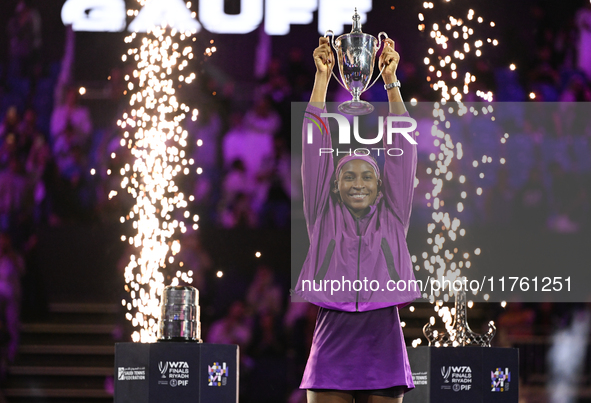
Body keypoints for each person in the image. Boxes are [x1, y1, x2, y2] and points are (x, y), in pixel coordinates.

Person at [292, 37, 420, 403]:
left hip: (383, 331)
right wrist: (322, 78)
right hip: (334, 330)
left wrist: (391, 81)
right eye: (349, 176)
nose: (358, 182)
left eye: (367, 176)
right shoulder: (322, 212)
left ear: (381, 186)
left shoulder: (394, 213)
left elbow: (404, 148)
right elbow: (314, 145)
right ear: (334, 184)